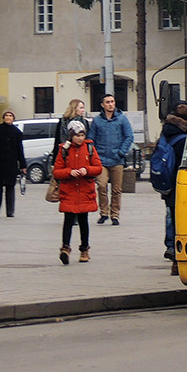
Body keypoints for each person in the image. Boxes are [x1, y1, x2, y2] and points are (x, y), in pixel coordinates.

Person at [53, 120, 103, 264]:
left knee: (83, 221)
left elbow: (98, 167)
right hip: (69, 191)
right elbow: (57, 172)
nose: (80, 138)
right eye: (77, 135)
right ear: (71, 136)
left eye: (82, 135)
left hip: (85, 190)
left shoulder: (89, 148)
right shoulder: (64, 149)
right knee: (68, 220)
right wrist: (69, 172)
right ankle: (65, 248)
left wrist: (86, 170)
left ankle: (84, 249)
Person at [87, 94, 134, 225]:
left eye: (112, 101)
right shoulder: (97, 121)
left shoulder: (122, 119)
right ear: (102, 105)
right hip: (101, 159)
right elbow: (91, 140)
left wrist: (121, 152)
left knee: (117, 189)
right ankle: (104, 212)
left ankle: (115, 215)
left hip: (117, 159)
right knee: (101, 186)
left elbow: (129, 136)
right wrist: (94, 155)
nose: (110, 104)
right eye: (107, 102)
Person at [158, 100, 187, 275]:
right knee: (182, 219)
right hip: (182, 181)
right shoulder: (186, 137)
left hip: (167, 181)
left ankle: (171, 247)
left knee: (171, 214)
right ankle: (178, 257)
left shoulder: (166, 131)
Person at [0, 110, 26, 217]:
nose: (8, 117)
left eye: (10, 116)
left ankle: (10, 211)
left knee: (10, 188)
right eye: (6, 115)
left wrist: (23, 165)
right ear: (3, 118)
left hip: (10, 164)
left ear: (13, 118)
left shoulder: (17, 132)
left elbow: (20, 149)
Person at [51, 99, 89, 167]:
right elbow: (57, 140)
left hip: (80, 154)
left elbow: (87, 140)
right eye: (81, 108)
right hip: (65, 153)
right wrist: (54, 160)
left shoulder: (85, 122)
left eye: (83, 108)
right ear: (74, 108)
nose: (83, 110)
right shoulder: (62, 122)